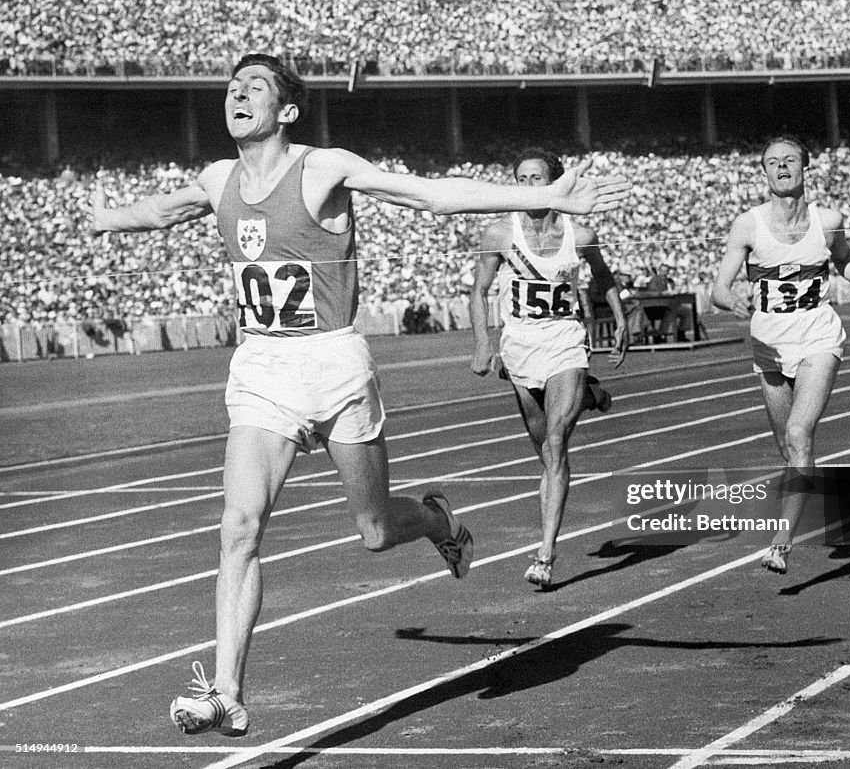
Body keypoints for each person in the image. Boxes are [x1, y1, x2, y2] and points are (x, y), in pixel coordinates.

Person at [88, 54, 630, 737]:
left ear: (286, 110)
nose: (237, 94)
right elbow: (164, 211)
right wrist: (108, 219)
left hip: (334, 363)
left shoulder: (324, 168)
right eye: (232, 87)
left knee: (375, 531)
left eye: (254, 87)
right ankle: (226, 687)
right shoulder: (217, 177)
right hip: (262, 368)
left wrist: (546, 198)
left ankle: (435, 519)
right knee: (239, 527)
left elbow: (428, 194)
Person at [710, 136, 850, 574]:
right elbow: (718, 287)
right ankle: (802, 501)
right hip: (769, 340)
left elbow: (843, 257)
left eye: (790, 160)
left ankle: (781, 544)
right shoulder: (747, 225)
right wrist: (731, 301)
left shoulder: (828, 220)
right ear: (764, 173)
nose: (782, 167)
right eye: (773, 162)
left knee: (799, 433)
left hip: (818, 334)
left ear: (806, 168)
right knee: (787, 450)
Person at [469, 148, 628, 588]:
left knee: (557, 444)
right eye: (520, 178)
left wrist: (618, 318)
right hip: (520, 346)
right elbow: (479, 291)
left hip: (565, 341)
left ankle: (545, 552)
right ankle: (590, 394)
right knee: (543, 452)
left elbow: (602, 275)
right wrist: (483, 343)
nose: (528, 186)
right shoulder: (499, 232)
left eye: (537, 177)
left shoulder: (581, 232)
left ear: (556, 182)